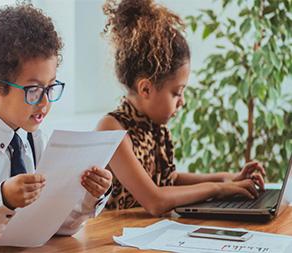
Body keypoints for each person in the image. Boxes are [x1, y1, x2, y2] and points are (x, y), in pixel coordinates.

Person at [0, 3, 112, 251]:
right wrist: (3, 199)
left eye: (51, 87)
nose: (45, 102)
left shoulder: (34, 138)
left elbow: (57, 227)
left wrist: (91, 196)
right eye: (33, 90)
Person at [97, 0, 265, 216]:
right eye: (177, 93)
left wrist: (227, 178)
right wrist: (218, 189)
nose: (182, 102)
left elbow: (170, 180)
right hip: (110, 244)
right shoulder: (113, 130)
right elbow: (155, 199)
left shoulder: (153, 126)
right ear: (146, 89)